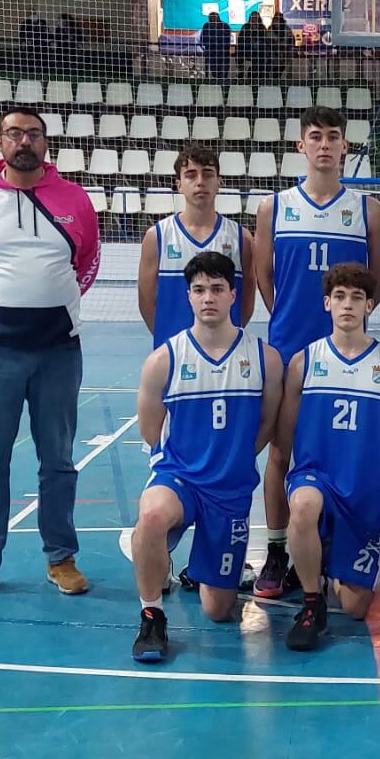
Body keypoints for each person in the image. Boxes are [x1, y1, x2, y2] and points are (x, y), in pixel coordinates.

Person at [0, 109, 99, 604]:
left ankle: (61, 558)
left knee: (58, 461)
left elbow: (88, 259)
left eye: (33, 133)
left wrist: (58, 305)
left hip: (58, 351)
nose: (24, 141)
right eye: (15, 133)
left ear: (46, 144)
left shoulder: (75, 199)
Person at [251, 106, 380, 598]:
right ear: (301, 147)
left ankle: (325, 541)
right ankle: (275, 550)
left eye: (334, 137)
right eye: (316, 137)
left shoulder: (367, 209)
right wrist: (289, 316)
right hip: (290, 346)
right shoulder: (275, 207)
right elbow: (262, 274)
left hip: (347, 351)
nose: (326, 145)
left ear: (345, 147)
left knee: (336, 447)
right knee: (281, 451)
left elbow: (379, 279)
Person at [130, 252, 284, 662]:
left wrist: (231, 458)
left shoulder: (264, 358)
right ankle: (152, 615)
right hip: (179, 478)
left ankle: (195, 568)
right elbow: (150, 429)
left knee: (218, 611)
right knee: (151, 516)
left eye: (217, 288)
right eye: (199, 290)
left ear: (233, 294)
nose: (208, 297)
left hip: (230, 489)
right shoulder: (165, 359)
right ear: (189, 296)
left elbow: (267, 422)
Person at [277, 264, 380, 651]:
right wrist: (294, 474)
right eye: (340, 296)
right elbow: (285, 434)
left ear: (370, 305)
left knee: (356, 607)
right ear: (326, 303)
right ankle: (310, 603)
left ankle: (324, 561)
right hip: (315, 477)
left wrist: (378, 475)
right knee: (303, 505)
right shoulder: (305, 362)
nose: (348, 305)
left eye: (357, 297)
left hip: (364, 495)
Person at [137, 143, 251, 346]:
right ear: (179, 184)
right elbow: (146, 300)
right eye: (190, 175)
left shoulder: (241, 238)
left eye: (207, 174)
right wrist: (170, 340)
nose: (200, 182)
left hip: (225, 352)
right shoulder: (158, 236)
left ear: (218, 182)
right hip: (173, 353)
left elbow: (247, 299)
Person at [199, 9, 231, 83]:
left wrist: (217, 42)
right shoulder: (206, 26)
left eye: (214, 18)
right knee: (214, 71)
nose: (212, 19)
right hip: (211, 53)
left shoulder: (225, 26)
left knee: (223, 72)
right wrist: (210, 43)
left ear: (218, 18)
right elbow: (203, 38)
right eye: (210, 18)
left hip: (223, 53)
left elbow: (227, 39)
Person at [235, 9, 267, 80]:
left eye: (256, 18)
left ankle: (258, 76)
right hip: (246, 49)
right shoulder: (245, 27)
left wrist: (258, 43)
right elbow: (240, 39)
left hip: (258, 51)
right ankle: (241, 73)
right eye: (253, 18)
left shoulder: (262, 28)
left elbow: (265, 40)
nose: (254, 20)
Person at [267, 11, 295, 81]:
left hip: (284, 57)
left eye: (278, 20)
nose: (276, 22)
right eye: (275, 19)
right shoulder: (270, 29)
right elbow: (268, 43)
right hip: (272, 58)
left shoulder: (287, 30)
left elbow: (291, 42)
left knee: (284, 76)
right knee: (273, 75)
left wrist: (285, 48)